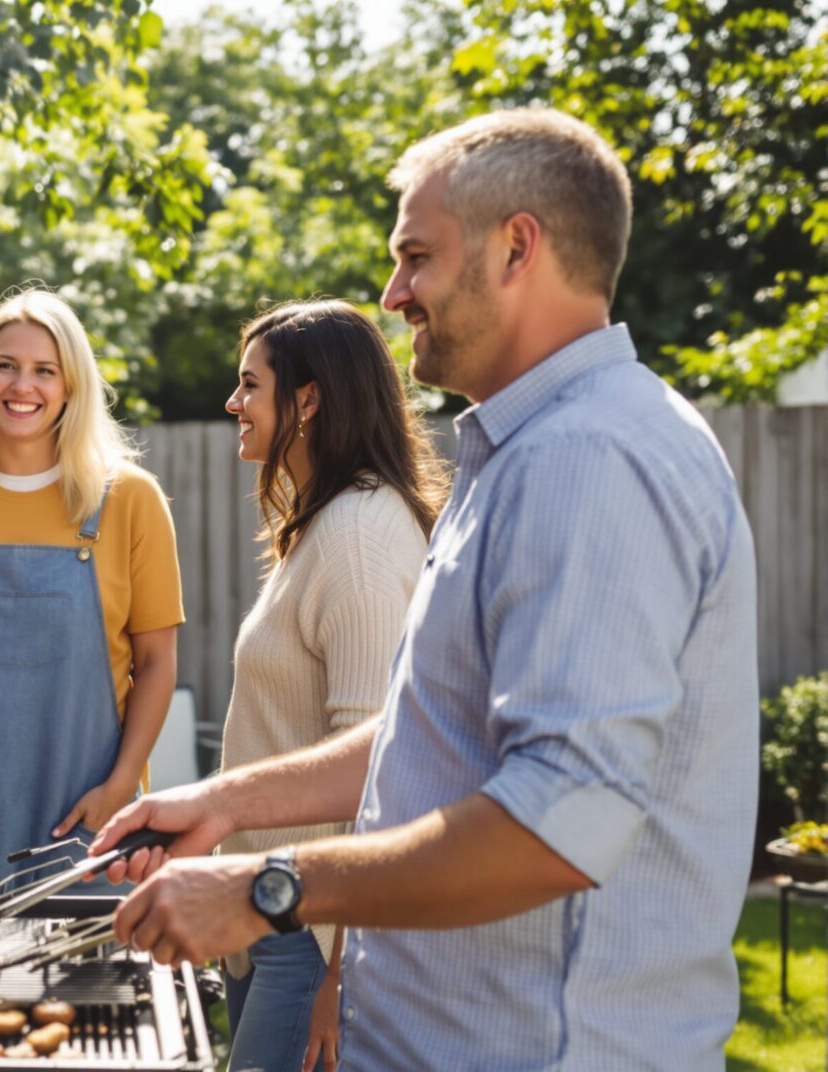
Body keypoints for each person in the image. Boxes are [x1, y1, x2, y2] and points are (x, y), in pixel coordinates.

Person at [96, 108, 758, 1071]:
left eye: (416, 257)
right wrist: (228, 802)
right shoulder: (516, 452)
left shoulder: (591, 460)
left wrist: (264, 887)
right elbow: (428, 726)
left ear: (516, 248)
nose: (392, 291)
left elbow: (556, 823)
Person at [0, 288, 184, 894]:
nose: (23, 386)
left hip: (87, 825)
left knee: (93, 988)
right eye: (5, 366)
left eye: (46, 370)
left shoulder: (129, 500)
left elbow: (156, 662)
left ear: (72, 385)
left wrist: (121, 787)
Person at [213, 300, 444, 1072]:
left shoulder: (360, 538)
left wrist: (341, 978)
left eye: (250, 385)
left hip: (314, 943)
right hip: (271, 923)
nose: (233, 403)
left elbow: (378, 775)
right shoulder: (325, 523)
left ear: (307, 399)